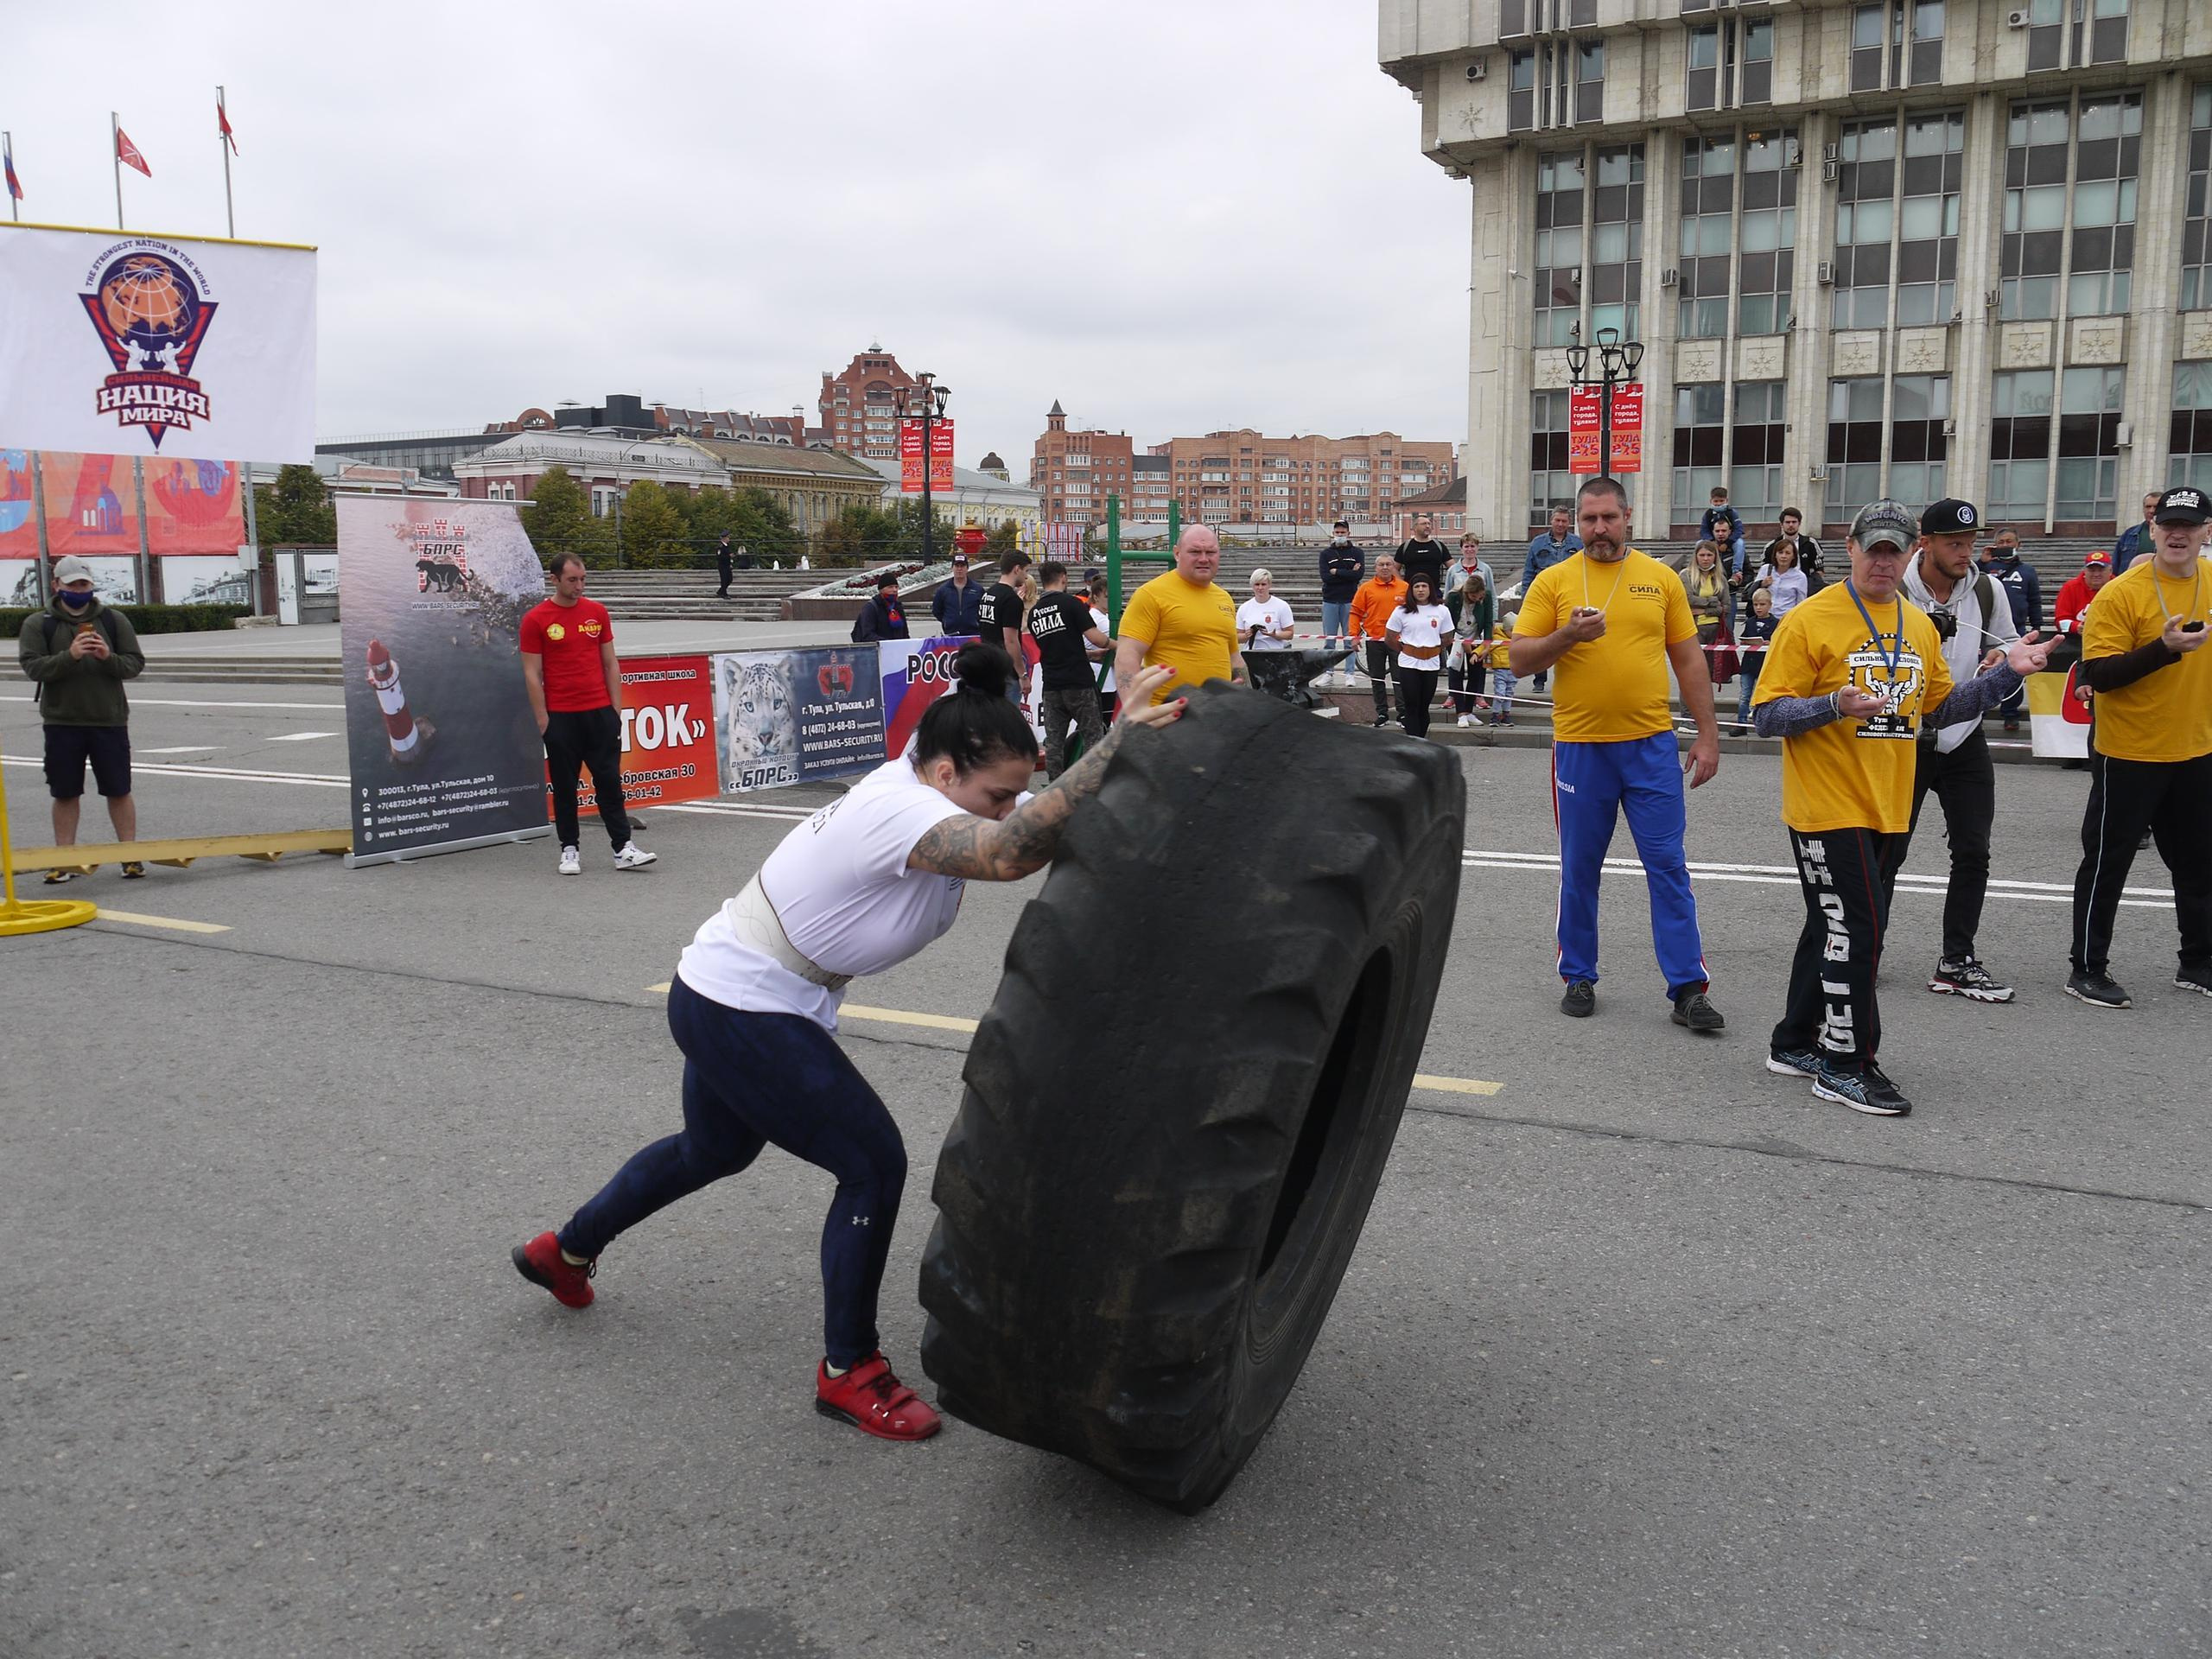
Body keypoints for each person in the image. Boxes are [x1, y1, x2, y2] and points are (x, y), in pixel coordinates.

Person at [512, 647, 1186, 1441]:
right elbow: (1010, 853)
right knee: (871, 1163)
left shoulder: (934, 789)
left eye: (1016, 792)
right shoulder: (895, 812)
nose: (1012, 807)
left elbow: (1038, 824)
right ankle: (848, 1371)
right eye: (998, 794)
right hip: (743, 1001)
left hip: (736, 986)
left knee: (713, 1149)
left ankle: (566, 1251)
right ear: (942, 773)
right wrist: (1112, 747)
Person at [1751, 500, 2051, 1116]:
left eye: (1896, 550)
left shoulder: (1916, 625)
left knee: (1835, 926)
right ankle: (1847, 1064)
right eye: (1874, 548)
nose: (1884, 560)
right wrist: (1833, 703)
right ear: (1852, 550)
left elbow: (1939, 710)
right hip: (1826, 804)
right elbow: (1766, 716)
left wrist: (2006, 675)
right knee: (1858, 930)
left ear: (1911, 553)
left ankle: (1792, 1042)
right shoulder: (1809, 621)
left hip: (1887, 804)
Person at [1509, 476, 1726, 1032]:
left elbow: (1690, 660)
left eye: (1608, 518)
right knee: (1580, 870)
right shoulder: (1554, 581)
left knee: (1668, 868)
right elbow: (1520, 660)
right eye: (1588, 520)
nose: (1598, 529)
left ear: (1627, 517)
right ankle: (1578, 974)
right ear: (1576, 522)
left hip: (1650, 747)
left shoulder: (1660, 579)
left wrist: (1707, 733)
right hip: (1581, 749)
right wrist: (1567, 638)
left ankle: (1687, 989)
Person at [2065, 485, 2212, 1009]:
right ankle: (2086, 968)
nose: (2179, 533)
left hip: (2196, 750)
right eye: (2169, 524)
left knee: (2199, 864)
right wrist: (2164, 650)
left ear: (2206, 533)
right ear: (2152, 529)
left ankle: (2197, 961)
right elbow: (2098, 673)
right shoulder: (2121, 594)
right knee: (2108, 862)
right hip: (2129, 752)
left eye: (2190, 526)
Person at [1881, 498, 2022, 1003]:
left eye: (1970, 543)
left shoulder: (1988, 589)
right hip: (1902, 740)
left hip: (1964, 738)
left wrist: (2000, 656)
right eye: (1954, 543)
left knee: (1973, 851)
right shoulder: (1895, 588)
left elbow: (2007, 641)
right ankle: (1865, 951)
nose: (1966, 552)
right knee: (1887, 853)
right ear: (1926, 544)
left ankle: (1956, 960)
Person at [520, 553, 657, 876]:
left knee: (609, 782)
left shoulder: (597, 613)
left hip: (599, 713)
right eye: (572, 580)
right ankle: (570, 849)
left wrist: (616, 709)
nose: (579, 586)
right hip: (561, 717)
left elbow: (611, 663)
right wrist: (543, 719)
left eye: (582, 580)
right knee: (565, 786)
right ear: (554, 579)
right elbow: (531, 673)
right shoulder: (536, 619)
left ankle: (623, 848)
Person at [17, 556, 146, 883]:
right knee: (65, 791)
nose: (78, 590)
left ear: (91, 585)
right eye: (72, 584)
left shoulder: (114, 620)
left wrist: (107, 657)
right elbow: (34, 668)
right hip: (62, 721)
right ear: (57, 585)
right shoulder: (39, 623)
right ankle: (65, 859)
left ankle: (129, 856)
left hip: (109, 719)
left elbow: (133, 665)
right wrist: (70, 656)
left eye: (84, 584)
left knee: (118, 789)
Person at [1113, 524, 1247, 705]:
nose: (1204, 559)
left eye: (1211, 552)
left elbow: (1233, 656)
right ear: (1177, 554)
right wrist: (1134, 709)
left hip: (1217, 715)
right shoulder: (1151, 594)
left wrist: (1247, 695)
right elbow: (1127, 654)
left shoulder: (1224, 599)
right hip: (1169, 717)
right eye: (1195, 552)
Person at [1027, 561, 1112, 779]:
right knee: (1093, 736)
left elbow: (1056, 646)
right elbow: (1098, 639)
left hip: (1052, 685)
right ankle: (1090, 783)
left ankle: (1055, 786)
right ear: (1064, 577)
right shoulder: (1071, 603)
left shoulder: (1035, 613)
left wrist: (1090, 654)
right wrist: (1122, 646)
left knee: (1054, 742)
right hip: (1079, 682)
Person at [1980, 529, 2043, 730]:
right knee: (1982, 672)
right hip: (1985, 630)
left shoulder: (2027, 571)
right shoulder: (1984, 569)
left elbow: (2034, 600)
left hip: (2016, 629)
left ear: (2018, 544)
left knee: (2015, 673)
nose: (2005, 545)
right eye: (2001, 542)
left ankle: (2010, 713)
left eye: (2009, 542)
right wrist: (1982, 562)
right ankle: (1977, 711)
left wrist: (2037, 624)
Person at [1386, 571, 1452, 740]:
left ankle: (1422, 740)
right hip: (1409, 663)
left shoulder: (1441, 610)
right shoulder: (1401, 611)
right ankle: (1413, 740)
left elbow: (1447, 637)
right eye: (1417, 587)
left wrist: (1433, 649)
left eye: (1424, 586)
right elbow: (1390, 637)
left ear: (1430, 589)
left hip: (1431, 663)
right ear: (1411, 590)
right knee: (1412, 705)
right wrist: (1406, 649)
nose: (1421, 590)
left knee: (1424, 705)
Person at [1348, 554, 1408, 727]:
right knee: (1377, 678)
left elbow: (1413, 612)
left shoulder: (1404, 587)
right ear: (1375, 568)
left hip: (1398, 640)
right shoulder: (1366, 588)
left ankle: (1402, 713)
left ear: (1394, 567)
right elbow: (1355, 613)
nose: (1385, 567)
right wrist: (1354, 635)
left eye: (1388, 564)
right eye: (1381, 564)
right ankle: (1382, 713)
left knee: (1400, 677)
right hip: (1374, 640)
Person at [976, 551, 1032, 699]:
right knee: (1007, 718)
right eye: (1026, 571)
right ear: (1017, 569)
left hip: (988, 664)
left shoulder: (988, 595)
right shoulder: (1011, 600)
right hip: (1006, 669)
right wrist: (1023, 675)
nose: (1026, 577)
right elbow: (1011, 640)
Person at [1319, 520, 1365, 685]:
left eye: (1343, 532)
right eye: (1337, 532)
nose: (1340, 535)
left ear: (1348, 533)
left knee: (1349, 639)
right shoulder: (1326, 554)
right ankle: (1328, 672)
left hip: (1350, 600)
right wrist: (1348, 573)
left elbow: (1358, 575)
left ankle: (1350, 673)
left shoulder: (1357, 552)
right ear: (1333, 533)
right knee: (1329, 640)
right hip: (1330, 600)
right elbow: (1326, 577)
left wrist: (1337, 572)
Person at [1447, 564, 1494, 727]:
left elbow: (1488, 622)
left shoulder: (1486, 597)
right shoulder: (1454, 597)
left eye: (1480, 596)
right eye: (1474, 597)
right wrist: (1460, 642)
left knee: (1476, 674)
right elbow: (1448, 622)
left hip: (1475, 637)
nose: (1477, 599)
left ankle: (1469, 711)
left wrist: (1487, 644)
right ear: (1467, 593)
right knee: (1456, 673)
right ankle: (1460, 713)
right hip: (1456, 637)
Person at [1732, 587, 1778, 735]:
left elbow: (1779, 642)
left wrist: (1770, 643)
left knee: (1764, 697)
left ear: (1770, 605)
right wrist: (1746, 642)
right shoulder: (1750, 622)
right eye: (1756, 604)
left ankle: (1763, 725)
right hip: (1748, 665)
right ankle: (1741, 724)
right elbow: (1745, 637)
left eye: (1762, 604)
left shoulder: (1776, 623)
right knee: (1744, 695)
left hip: (1765, 665)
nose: (1758, 608)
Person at [2054, 549, 2113, 647]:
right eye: (2092, 570)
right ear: (2085, 571)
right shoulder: (2070, 588)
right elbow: (2060, 621)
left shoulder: (2120, 587)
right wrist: (2076, 627)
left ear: (2110, 571)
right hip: (2078, 643)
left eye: (2101, 570)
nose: (2096, 574)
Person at [1682, 540, 1733, 649]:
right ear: (1696, 557)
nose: (1706, 559)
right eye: (1702, 555)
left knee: (1714, 664)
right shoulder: (1686, 575)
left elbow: (1726, 607)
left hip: (1716, 628)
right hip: (1693, 627)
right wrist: (1713, 601)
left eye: (1709, 555)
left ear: (1715, 557)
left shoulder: (1721, 578)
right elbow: (1688, 599)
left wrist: (1705, 611)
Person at [1522, 506, 1581, 597]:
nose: (1560, 524)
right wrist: (1526, 597)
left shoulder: (1579, 544)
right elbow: (1528, 573)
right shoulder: (1538, 543)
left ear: (1569, 523)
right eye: (1557, 520)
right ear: (1551, 520)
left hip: (1570, 595)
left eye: (1564, 521)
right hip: (1543, 594)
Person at [1236, 569, 1295, 652]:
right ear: (1252, 586)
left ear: (1269, 585)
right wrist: (1247, 635)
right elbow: (1237, 638)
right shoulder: (1244, 608)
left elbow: (1290, 634)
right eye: (1257, 584)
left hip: (1275, 655)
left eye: (1263, 584)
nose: (1260, 588)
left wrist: (1275, 635)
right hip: (1251, 654)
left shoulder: (1282, 606)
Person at [1085, 574, 1116, 723]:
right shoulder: (1099, 620)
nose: (1112, 601)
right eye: (1107, 597)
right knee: (1101, 722)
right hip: (1101, 677)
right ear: (1096, 597)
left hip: (1104, 676)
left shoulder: (1099, 617)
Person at [1700, 486, 1748, 584]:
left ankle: (1736, 572)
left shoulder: (1732, 513)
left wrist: (1728, 543)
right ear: (1711, 501)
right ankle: (1699, 569)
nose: (1718, 504)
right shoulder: (1708, 514)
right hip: (1712, 540)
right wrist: (1712, 541)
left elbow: (1739, 529)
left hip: (1730, 540)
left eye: (1721, 501)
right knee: (1699, 545)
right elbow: (1704, 530)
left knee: (1740, 544)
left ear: (1726, 500)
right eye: (1716, 501)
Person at [1754, 537, 1810, 618]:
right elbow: (1755, 594)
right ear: (1775, 555)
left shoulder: (1800, 577)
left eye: (1788, 553)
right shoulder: (1765, 569)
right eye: (1780, 552)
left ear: (1793, 556)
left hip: (1786, 619)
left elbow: (1800, 603)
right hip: (1765, 618)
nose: (1784, 556)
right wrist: (1762, 584)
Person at [931, 551, 983, 636]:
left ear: (967, 568)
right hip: (951, 633)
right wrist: (947, 621)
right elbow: (937, 610)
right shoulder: (943, 590)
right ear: (952, 568)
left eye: (962, 566)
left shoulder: (978, 589)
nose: (959, 569)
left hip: (973, 634)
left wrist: (976, 622)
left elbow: (983, 610)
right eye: (957, 566)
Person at [1396, 512, 1450, 594]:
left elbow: (1453, 567)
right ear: (1415, 527)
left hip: (1434, 592)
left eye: (1429, 524)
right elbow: (1394, 569)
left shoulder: (1439, 546)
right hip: (1411, 592)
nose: (1428, 526)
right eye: (1424, 524)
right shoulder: (1405, 547)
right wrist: (1403, 585)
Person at [850, 573, 910, 643]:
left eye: (896, 587)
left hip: (896, 650)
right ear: (881, 590)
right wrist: (888, 643)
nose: (894, 590)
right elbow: (867, 635)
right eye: (890, 587)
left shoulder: (898, 607)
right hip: (877, 651)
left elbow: (905, 634)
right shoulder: (871, 607)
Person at [1776, 507, 1824, 591]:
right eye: (1787, 522)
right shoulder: (1773, 545)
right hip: (1779, 587)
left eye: (1794, 522)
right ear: (1781, 525)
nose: (1791, 525)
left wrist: (1811, 585)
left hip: (1805, 587)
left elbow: (1819, 570)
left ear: (1799, 523)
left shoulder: (1811, 544)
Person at [2113, 490, 2162, 572]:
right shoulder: (2129, 534)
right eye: (2148, 507)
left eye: (2156, 507)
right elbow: (2116, 566)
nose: (2151, 511)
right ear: (2143, 509)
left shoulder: (2171, 536)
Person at [1487, 612, 1520, 727]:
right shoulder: (1496, 638)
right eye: (1511, 630)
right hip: (1500, 670)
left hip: (1513, 670)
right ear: (1505, 629)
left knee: (1509, 694)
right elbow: (1485, 646)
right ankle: (1495, 716)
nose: (1514, 633)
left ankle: (1506, 716)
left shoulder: (1518, 640)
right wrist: (1477, 653)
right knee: (1500, 693)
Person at [715, 532, 734, 599]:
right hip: (722, 566)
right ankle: (724, 594)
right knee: (724, 580)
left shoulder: (727, 546)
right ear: (724, 538)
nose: (729, 539)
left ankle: (720, 591)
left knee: (729, 579)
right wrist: (728, 556)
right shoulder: (720, 547)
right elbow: (719, 557)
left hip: (727, 565)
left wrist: (730, 562)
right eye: (728, 537)